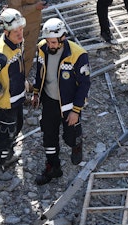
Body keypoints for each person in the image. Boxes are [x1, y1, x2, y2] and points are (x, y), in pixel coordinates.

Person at [30, 18, 91, 185]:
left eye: (53, 42)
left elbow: (84, 84)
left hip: (69, 105)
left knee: (69, 136)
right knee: (49, 136)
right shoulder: (42, 48)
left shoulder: (78, 55)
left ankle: (76, 144)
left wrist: (76, 111)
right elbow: (40, 72)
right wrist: (36, 93)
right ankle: (52, 167)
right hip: (49, 101)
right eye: (48, 41)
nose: (50, 45)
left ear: (63, 38)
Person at [0, 8, 29, 178]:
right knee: (5, 133)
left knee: (17, 127)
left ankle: (7, 154)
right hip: (6, 103)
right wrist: (1, 92)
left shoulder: (15, 43)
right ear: (5, 31)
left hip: (16, 98)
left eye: (21, 29)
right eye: (15, 31)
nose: (19, 33)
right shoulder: (1, 53)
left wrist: (23, 82)